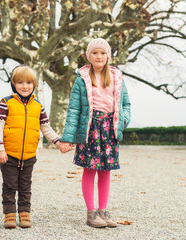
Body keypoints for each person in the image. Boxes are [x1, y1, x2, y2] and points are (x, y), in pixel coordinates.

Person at [59, 38, 131, 228]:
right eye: (95, 53)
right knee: (90, 169)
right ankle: (91, 213)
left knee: (106, 170)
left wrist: (123, 121)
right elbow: (74, 110)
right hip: (90, 128)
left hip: (109, 129)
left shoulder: (117, 78)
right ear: (88, 56)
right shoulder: (81, 80)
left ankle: (103, 211)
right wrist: (67, 138)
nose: (99, 56)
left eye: (102, 53)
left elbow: (126, 105)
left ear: (108, 56)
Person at [0, 65, 72, 229]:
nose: (25, 86)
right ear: (14, 84)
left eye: (29, 82)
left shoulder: (38, 106)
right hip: (9, 154)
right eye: (20, 82)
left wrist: (58, 142)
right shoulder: (6, 103)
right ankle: (9, 214)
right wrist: (0, 148)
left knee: (25, 186)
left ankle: (24, 213)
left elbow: (46, 127)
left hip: (29, 155)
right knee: (9, 186)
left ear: (34, 84)